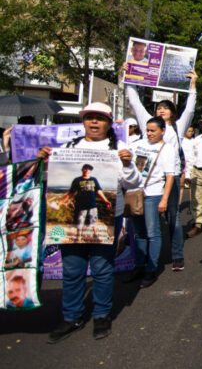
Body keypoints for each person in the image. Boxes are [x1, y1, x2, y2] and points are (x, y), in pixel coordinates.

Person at [38, 102, 140, 343]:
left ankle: (101, 315)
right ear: (83, 121)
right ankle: (71, 316)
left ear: (108, 123)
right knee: (72, 269)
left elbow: (133, 182)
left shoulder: (119, 148)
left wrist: (127, 164)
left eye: (100, 118)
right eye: (90, 118)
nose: (94, 122)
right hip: (73, 220)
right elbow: (51, 180)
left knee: (102, 268)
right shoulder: (69, 147)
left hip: (105, 220)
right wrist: (43, 162)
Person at [124, 63, 197, 274]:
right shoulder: (147, 122)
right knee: (145, 222)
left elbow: (190, 109)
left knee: (173, 218)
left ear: (173, 114)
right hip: (147, 181)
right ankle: (144, 260)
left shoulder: (177, 127)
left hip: (170, 179)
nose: (161, 110)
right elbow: (135, 101)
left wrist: (192, 85)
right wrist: (128, 75)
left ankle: (176, 254)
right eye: (158, 107)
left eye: (165, 108)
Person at [127, 117, 176, 286]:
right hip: (135, 194)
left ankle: (151, 269)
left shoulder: (167, 149)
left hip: (153, 194)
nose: (149, 134)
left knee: (152, 233)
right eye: (147, 130)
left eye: (153, 130)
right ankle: (139, 265)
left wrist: (164, 199)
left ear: (162, 131)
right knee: (139, 233)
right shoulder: (137, 144)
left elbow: (170, 176)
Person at [57, 164, 112, 242]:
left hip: (92, 205)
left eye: (89, 169)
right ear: (82, 169)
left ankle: (95, 235)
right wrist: (61, 202)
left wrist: (106, 201)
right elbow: (71, 193)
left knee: (93, 221)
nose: (87, 170)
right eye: (85, 169)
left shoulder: (94, 179)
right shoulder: (77, 180)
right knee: (80, 221)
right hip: (81, 205)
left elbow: (99, 191)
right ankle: (78, 237)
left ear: (90, 171)